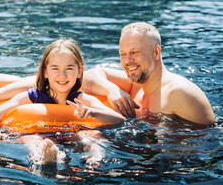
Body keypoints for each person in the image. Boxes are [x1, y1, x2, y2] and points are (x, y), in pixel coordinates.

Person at [0, 39, 125, 164]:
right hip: (40, 135)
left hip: (74, 136)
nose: (62, 75)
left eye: (69, 68)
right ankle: (44, 155)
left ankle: (95, 157)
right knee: (31, 138)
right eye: (55, 68)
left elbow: (119, 120)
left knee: (93, 136)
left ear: (79, 71)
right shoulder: (32, 97)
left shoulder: (82, 99)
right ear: (45, 71)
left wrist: (92, 113)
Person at [83, 22, 215, 126]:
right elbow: (87, 77)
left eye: (135, 52)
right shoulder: (136, 84)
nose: (128, 60)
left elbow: (208, 146)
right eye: (123, 54)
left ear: (156, 52)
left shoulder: (179, 93)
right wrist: (111, 90)